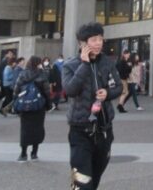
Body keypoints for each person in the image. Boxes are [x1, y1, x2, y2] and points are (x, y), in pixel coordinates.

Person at [62, 22, 122, 189]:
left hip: (104, 130)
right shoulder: (70, 65)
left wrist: (107, 93)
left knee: (94, 178)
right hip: (80, 130)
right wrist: (85, 64)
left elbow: (118, 87)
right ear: (82, 43)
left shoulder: (107, 63)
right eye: (94, 39)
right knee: (82, 180)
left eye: (101, 39)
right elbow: (70, 90)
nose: (98, 43)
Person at [14, 56, 50, 162]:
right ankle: (34, 153)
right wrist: (48, 104)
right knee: (37, 128)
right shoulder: (42, 74)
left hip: (25, 106)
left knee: (25, 129)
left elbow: (16, 89)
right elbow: (47, 91)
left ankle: (23, 153)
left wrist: (16, 103)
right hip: (39, 106)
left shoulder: (23, 74)